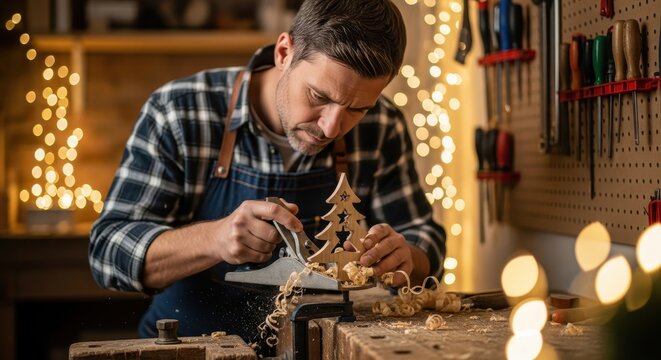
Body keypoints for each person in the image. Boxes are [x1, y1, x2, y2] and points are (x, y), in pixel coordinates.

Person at [89, 0, 446, 354]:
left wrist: (407, 259)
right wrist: (215, 238)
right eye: (318, 96)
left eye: (357, 108)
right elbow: (107, 252)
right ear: (284, 52)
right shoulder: (178, 111)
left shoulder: (382, 125)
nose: (331, 127)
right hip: (188, 348)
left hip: (319, 349)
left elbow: (424, 234)